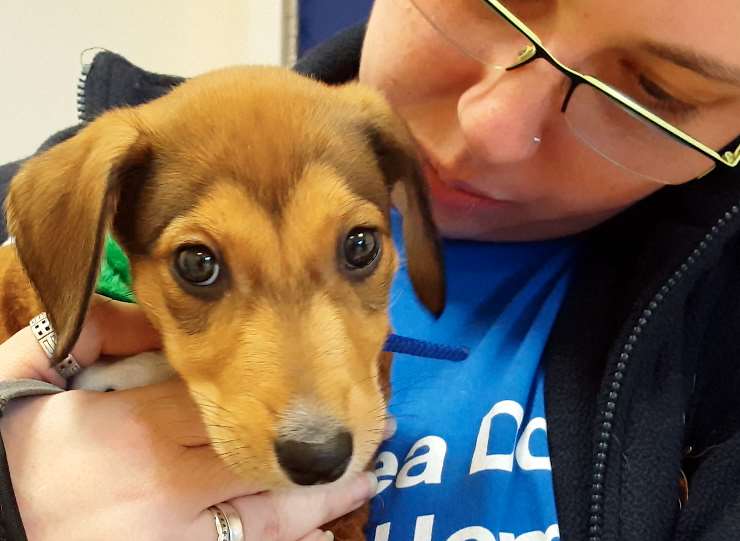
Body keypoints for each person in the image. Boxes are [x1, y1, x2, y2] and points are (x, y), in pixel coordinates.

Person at [1, 0, 739, 539]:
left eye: (657, 91)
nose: (494, 126)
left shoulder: (720, 351)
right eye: (488, 1)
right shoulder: (60, 204)